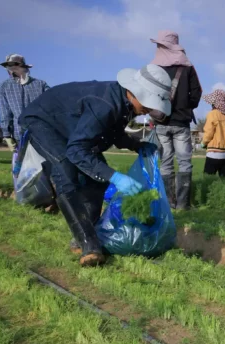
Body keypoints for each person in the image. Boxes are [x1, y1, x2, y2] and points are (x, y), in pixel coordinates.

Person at [19, 64, 171, 267]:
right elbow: (76, 151)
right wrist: (115, 176)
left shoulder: (122, 103)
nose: (147, 110)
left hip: (71, 129)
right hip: (43, 121)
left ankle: (87, 233)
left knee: (97, 182)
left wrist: (137, 145)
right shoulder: (105, 105)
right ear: (134, 92)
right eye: (148, 104)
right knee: (65, 171)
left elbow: (113, 133)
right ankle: (88, 244)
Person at [148, 30, 202, 210]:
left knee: (166, 162)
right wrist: (186, 106)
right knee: (184, 161)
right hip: (181, 122)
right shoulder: (187, 66)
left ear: (161, 46)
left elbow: (147, 93)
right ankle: (183, 204)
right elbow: (197, 93)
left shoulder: (153, 68)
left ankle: (168, 203)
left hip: (161, 122)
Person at [0, 54, 49, 181]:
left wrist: (6, 134)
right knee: (41, 164)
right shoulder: (41, 84)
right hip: (34, 132)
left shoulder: (40, 84)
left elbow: (5, 113)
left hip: (29, 132)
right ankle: (41, 192)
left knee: (29, 165)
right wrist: (7, 134)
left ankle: (36, 192)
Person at [201, 89, 225, 178]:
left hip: (214, 152)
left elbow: (209, 132)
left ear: (215, 103)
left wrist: (203, 143)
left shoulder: (212, 114)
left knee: (208, 179)